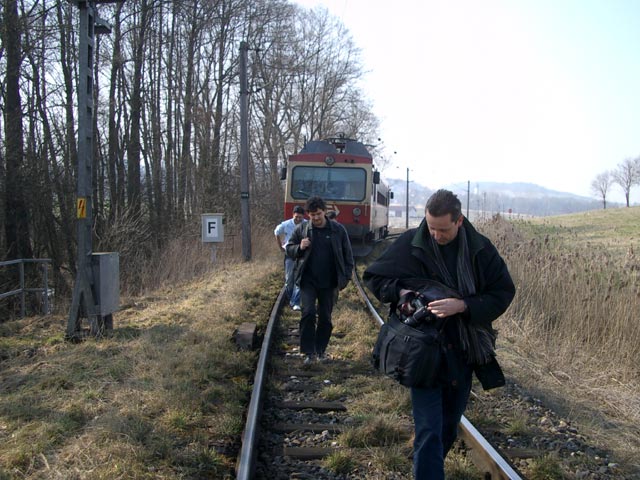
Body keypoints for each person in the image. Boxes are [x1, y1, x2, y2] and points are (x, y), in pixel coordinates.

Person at [363, 189, 515, 480]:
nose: (435, 235)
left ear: (459, 221)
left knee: (447, 426)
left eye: (442, 229)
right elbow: (375, 277)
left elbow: (503, 293)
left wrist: (464, 306)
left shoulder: (481, 250)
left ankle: (426, 463)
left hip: (462, 351)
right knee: (429, 430)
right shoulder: (411, 242)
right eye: (430, 227)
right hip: (422, 353)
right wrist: (402, 292)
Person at [286, 196, 354, 364]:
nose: (315, 218)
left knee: (325, 318)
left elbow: (348, 256)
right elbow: (288, 249)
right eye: (312, 215)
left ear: (324, 211)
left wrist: (344, 278)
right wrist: (299, 248)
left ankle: (320, 350)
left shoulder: (338, 230)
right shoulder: (302, 229)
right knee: (308, 313)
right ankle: (309, 352)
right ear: (308, 214)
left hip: (329, 282)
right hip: (307, 281)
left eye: (318, 214)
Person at [274, 205, 306, 311]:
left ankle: (295, 301)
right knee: (289, 278)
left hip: (301, 254)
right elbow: (276, 232)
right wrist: (280, 247)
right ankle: (290, 299)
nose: (298, 219)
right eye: (296, 217)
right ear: (293, 215)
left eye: (300, 217)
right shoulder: (286, 224)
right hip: (289, 253)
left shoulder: (306, 224)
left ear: (303, 217)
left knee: (300, 277)